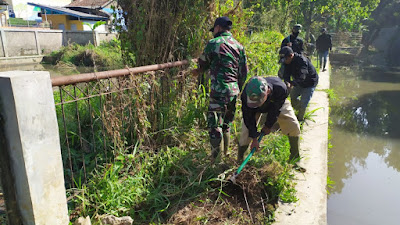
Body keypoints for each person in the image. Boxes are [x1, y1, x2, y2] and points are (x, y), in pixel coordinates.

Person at [192, 16, 248, 161]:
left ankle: (215, 160)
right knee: (227, 124)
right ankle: (225, 154)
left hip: (218, 91)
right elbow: (244, 71)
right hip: (233, 91)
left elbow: (203, 64)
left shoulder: (213, 43)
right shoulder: (239, 46)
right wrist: (237, 88)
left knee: (214, 125)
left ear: (218, 28)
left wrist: (197, 71)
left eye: (214, 29)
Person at [238, 76, 305, 172]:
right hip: (252, 108)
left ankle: (295, 158)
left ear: (267, 92)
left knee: (293, 125)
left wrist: (268, 125)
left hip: (276, 103)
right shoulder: (246, 95)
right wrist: (254, 138)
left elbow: (275, 110)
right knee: (245, 132)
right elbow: (248, 117)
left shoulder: (280, 88)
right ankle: (240, 160)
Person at [279, 46, 319, 121]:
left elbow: (302, 76)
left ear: (291, 55)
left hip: (309, 82)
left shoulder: (302, 61)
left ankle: (300, 119)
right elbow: (286, 74)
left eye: (285, 59)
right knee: (293, 97)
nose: (284, 61)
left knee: (304, 102)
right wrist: (287, 81)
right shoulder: (287, 62)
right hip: (298, 82)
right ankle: (299, 108)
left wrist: (292, 84)